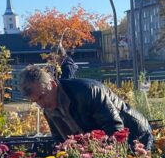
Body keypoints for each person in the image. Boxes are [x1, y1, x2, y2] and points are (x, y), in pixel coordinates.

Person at [19, 64, 152, 149]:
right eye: (35, 101)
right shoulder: (48, 108)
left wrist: (102, 155)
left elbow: (115, 128)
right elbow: (60, 140)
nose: (41, 104)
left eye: (42, 96)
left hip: (136, 134)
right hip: (102, 147)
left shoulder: (89, 91)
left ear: (53, 85)